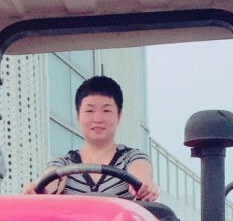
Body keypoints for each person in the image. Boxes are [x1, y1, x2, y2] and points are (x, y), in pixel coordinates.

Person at [22, 75, 159, 201]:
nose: (97, 119)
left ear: (119, 115)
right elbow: (48, 181)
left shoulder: (131, 158)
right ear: (78, 117)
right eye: (89, 111)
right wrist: (37, 189)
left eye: (106, 110)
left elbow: (141, 174)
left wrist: (144, 186)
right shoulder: (63, 164)